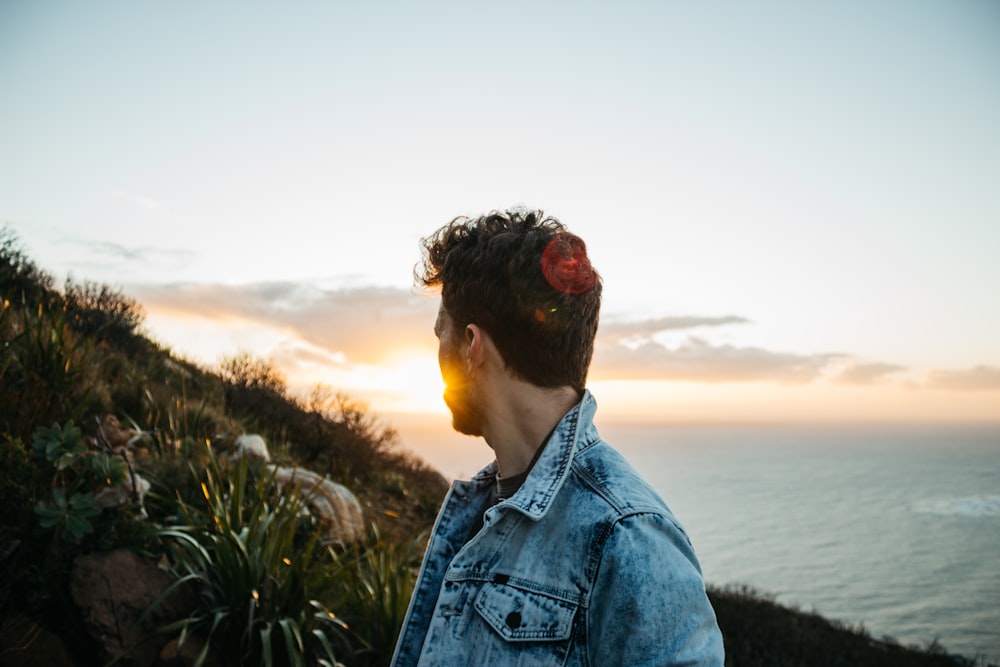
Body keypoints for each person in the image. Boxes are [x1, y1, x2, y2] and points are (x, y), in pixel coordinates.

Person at [391, 209, 724, 666]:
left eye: (439, 336)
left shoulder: (626, 537)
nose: (437, 353)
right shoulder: (482, 507)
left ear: (472, 347)